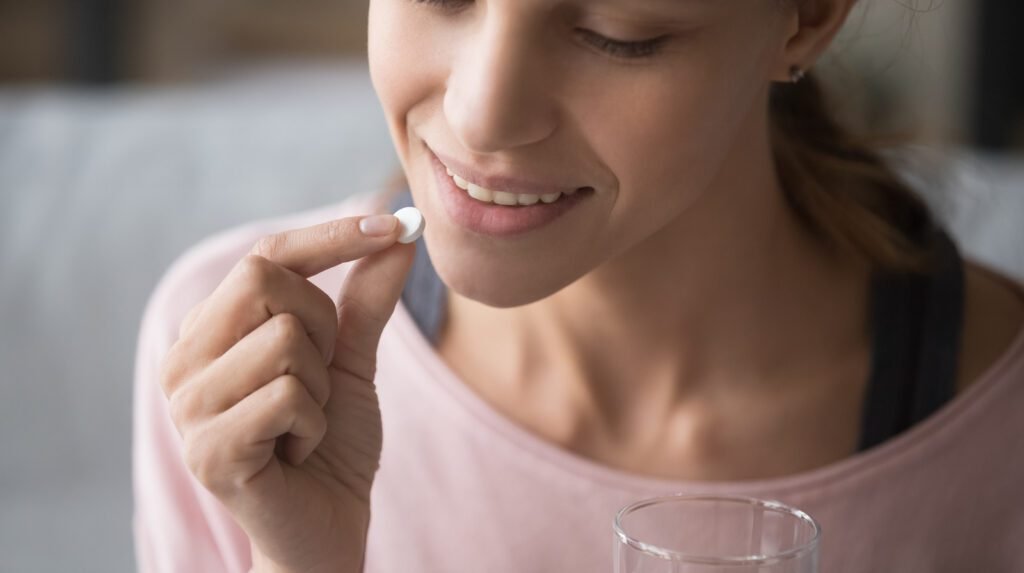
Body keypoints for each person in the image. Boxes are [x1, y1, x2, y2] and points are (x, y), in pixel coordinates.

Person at [132, 0, 1024, 571]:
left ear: (806, 18)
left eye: (615, 35)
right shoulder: (237, 363)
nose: (484, 112)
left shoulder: (997, 431)